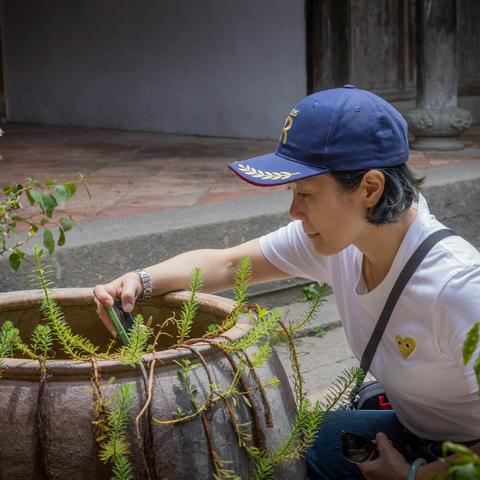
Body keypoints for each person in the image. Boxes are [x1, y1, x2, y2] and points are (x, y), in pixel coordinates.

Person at [94, 85, 480, 480]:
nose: (294, 211)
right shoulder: (343, 242)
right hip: (410, 433)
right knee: (269, 449)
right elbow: (227, 265)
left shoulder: (457, 286)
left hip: (463, 456)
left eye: (306, 193)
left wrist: (417, 476)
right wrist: (138, 282)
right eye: (292, 192)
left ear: (370, 188)